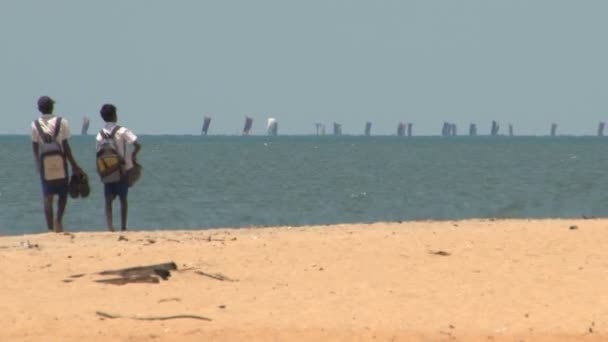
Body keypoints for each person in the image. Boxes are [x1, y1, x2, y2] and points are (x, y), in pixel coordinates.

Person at [31, 96, 82, 232]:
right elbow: (66, 146)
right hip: (60, 162)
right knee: (62, 194)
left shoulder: (35, 124)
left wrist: (38, 163)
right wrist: (74, 165)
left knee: (47, 196)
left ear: (39, 109)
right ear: (52, 107)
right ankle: (58, 221)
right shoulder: (62, 122)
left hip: (45, 163)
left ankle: (49, 229)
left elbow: (35, 147)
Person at [96, 103, 141, 231]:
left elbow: (98, 153)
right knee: (123, 199)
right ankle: (123, 227)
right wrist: (133, 155)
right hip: (122, 170)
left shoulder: (100, 135)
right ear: (115, 115)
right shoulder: (122, 131)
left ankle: (110, 227)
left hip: (107, 170)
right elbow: (137, 144)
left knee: (108, 199)